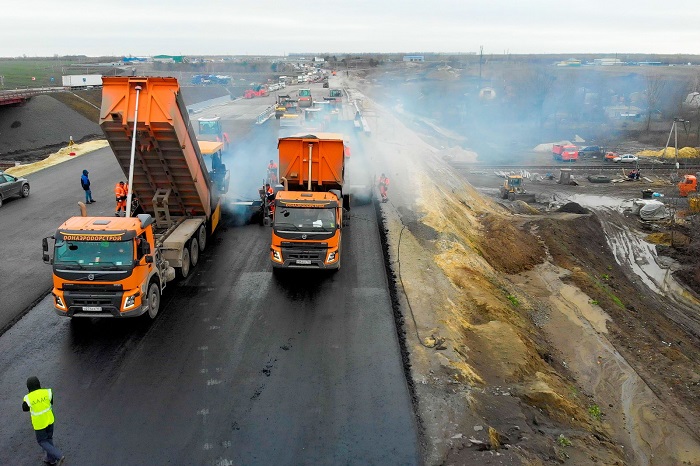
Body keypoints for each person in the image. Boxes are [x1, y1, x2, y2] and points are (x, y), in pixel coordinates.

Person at [22, 376, 64, 465]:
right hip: (50, 420)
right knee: (49, 439)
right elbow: (51, 402)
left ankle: (59, 455)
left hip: (40, 424)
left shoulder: (28, 398)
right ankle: (51, 459)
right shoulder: (47, 392)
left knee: (42, 441)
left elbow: (24, 408)